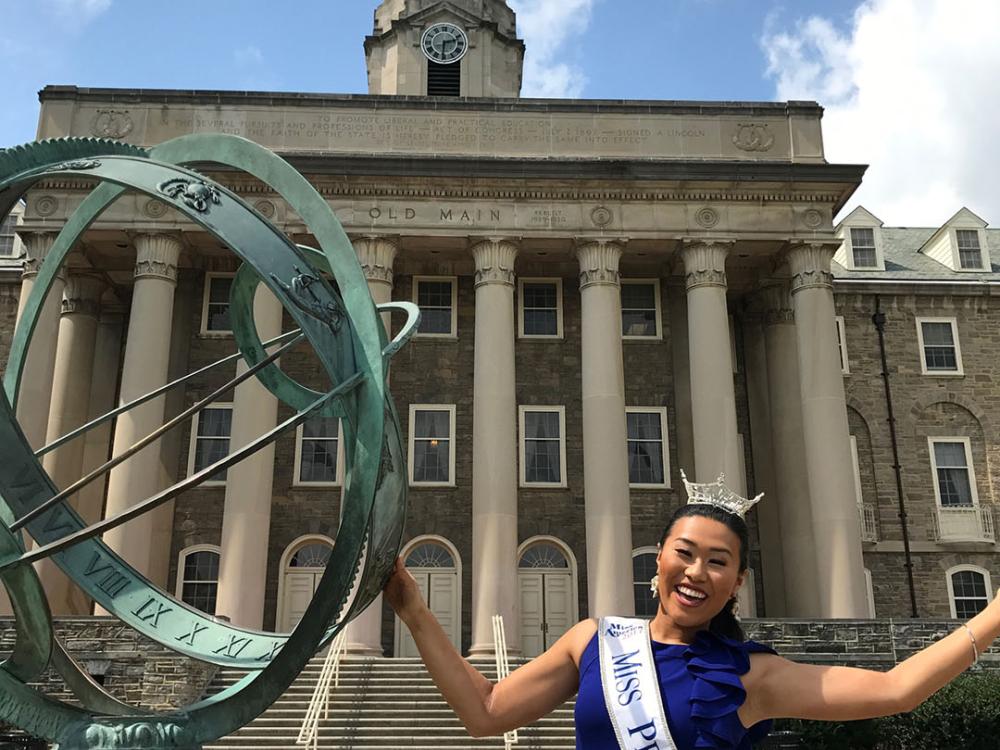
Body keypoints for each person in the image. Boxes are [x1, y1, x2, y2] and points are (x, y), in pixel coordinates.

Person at [385, 473, 1000, 749]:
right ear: (658, 562)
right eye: (685, 553)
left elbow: (895, 689)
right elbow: (486, 713)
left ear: (736, 584)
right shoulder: (593, 640)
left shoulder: (752, 676)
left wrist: (995, 614)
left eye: (718, 561)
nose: (697, 572)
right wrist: (414, 610)